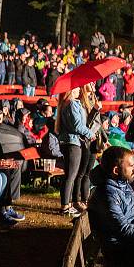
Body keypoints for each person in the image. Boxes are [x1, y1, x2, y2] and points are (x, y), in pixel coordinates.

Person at [88, 146, 134, 264]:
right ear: (116, 170)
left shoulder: (123, 184)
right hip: (117, 250)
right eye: (131, 166)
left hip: (128, 243)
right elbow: (122, 229)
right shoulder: (108, 194)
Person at [55, 86, 94, 216]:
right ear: (71, 91)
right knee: (70, 175)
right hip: (72, 142)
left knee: (69, 175)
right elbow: (77, 125)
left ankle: (67, 204)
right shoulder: (72, 103)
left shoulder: (66, 104)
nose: (79, 90)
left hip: (68, 141)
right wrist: (89, 133)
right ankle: (65, 206)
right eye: (76, 89)